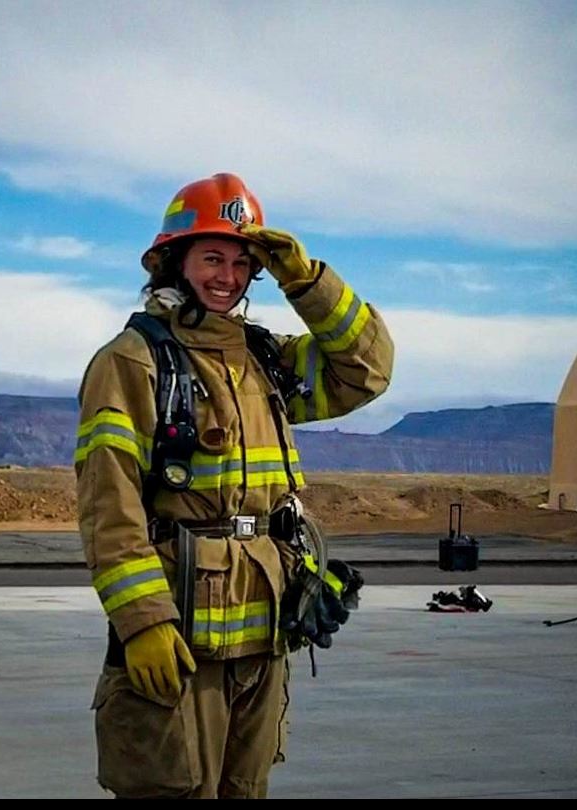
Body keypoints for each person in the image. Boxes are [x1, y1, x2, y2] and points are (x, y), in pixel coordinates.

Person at [74, 172, 394, 799]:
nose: (228, 276)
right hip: (181, 636)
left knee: (246, 790)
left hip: (265, 636)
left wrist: (307, 281)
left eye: (243, 263)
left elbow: (368, 370)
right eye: (212, 258)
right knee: (174, 789)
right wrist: (142, 621)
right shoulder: (131, 361)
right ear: (175, 261)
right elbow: (110, 505)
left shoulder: (264, 360)